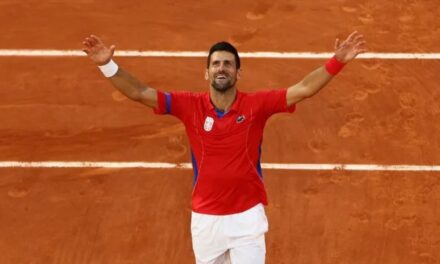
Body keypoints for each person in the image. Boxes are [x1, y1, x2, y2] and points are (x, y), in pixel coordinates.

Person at [82, 32, 366, 264]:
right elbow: (140, 93)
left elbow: (303, 89)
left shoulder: (257, 106)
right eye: (216, 64)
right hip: (206, 220)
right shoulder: (188, 106)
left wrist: (336, 62)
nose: (221, 68)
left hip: (247, 219)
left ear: (237, 73)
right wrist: (107, 65)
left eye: (228, 64)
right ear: (206, 73)